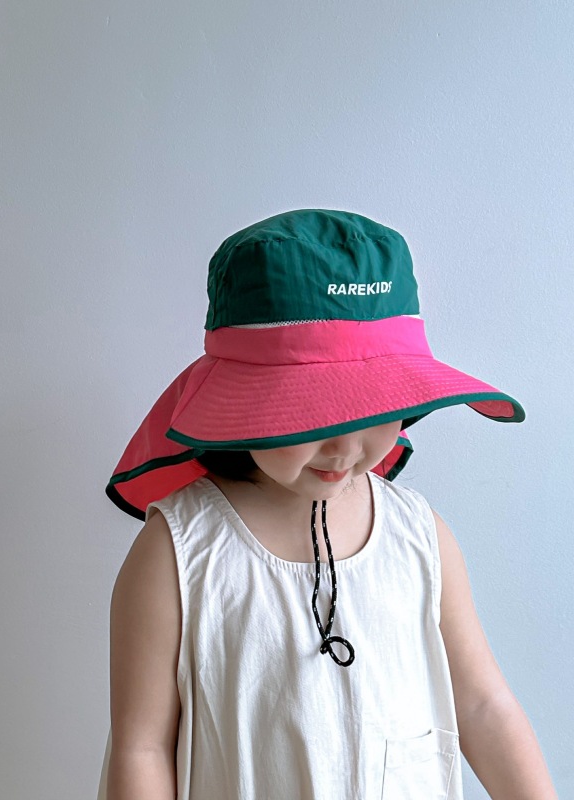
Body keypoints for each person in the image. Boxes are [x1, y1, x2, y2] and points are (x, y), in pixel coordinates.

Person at [96, 209, 557, 799]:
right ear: (238, 401)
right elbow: (141, 746)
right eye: (310, 412)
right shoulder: (180, 553)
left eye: (375, 410)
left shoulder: (418, 535)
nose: (344, 446)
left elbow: (483, 704)